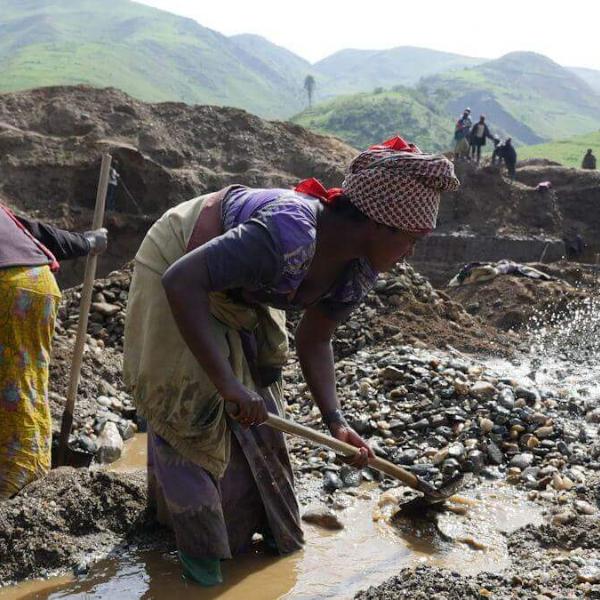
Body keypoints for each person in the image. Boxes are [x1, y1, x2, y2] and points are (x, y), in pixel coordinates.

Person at [123, 135, 460, 587]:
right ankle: (199, 575)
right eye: (412, 239)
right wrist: (225, 384)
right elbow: (182, 281)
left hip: (242, 291)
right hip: (179, 264)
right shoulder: (289, 231)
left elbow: (315, 339)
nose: (412, 253)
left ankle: (255, 548)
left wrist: (336, 422)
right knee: (193, 412)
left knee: (260, 416)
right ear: (380, 224)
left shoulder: (357, 268)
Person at [0, 204, 107, 500]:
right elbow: (36, 233)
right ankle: (31, 467)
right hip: (38, 283)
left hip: (6, 289)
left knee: (11, 386)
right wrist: (87, 242)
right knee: (25, 381)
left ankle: (14, 484)